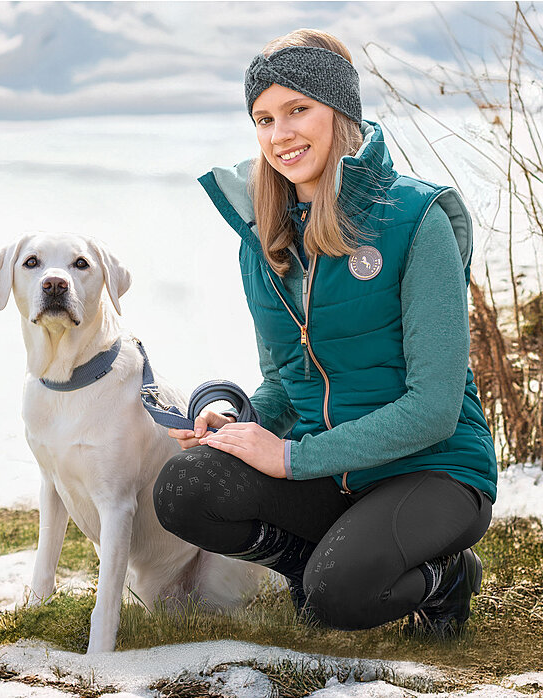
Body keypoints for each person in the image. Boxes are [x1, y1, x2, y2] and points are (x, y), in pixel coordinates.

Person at [152, 28, 496, 636]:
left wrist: (289, 457)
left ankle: (448, 578)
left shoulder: (417, 221)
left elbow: (436, 409)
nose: (280, 135)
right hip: (325, 471)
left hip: (433, 469)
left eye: (298, 110)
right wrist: (242, 427)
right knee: (186, 487)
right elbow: (287, 385)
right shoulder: (263, 240)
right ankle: (311, 566)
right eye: (263, 119)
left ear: (341, 113)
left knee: (341, 597)